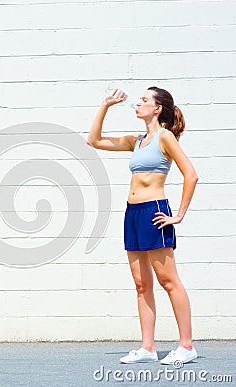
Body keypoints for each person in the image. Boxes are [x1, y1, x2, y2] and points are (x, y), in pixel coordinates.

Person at [86, 86, 199, 365]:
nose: (138, 103)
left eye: (145, 100)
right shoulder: (136, 141)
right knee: (141, 284)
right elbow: (94, 141)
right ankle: (147, 348)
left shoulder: (165, 137)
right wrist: (105, 105)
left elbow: (191, 175)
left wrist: (179, 215)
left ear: (157, 108)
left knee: (168, 281)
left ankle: (186, 345)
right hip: (133, 214)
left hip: (154, 212)